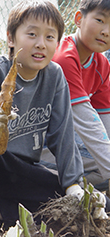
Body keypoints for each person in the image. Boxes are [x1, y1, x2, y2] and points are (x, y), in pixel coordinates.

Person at [0, 1, 109, 236]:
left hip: (19, 168)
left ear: (57, 43)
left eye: (50, 37)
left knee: (66, 201)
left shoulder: (54, 76)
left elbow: (63, 134)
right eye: (32, 34)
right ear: (11, 38)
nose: (41, 44)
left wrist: (73, 185)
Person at [40, 0, 110, 192]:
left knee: (99, 167)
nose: (106, 31)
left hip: (65, 142)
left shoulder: (102, 65)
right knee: (98, 168)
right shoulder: (64, 57)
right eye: (100, 20)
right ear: (79, 19)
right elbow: (86, 120)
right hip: (38, 143)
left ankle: (67, 189)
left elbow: (105, 121)